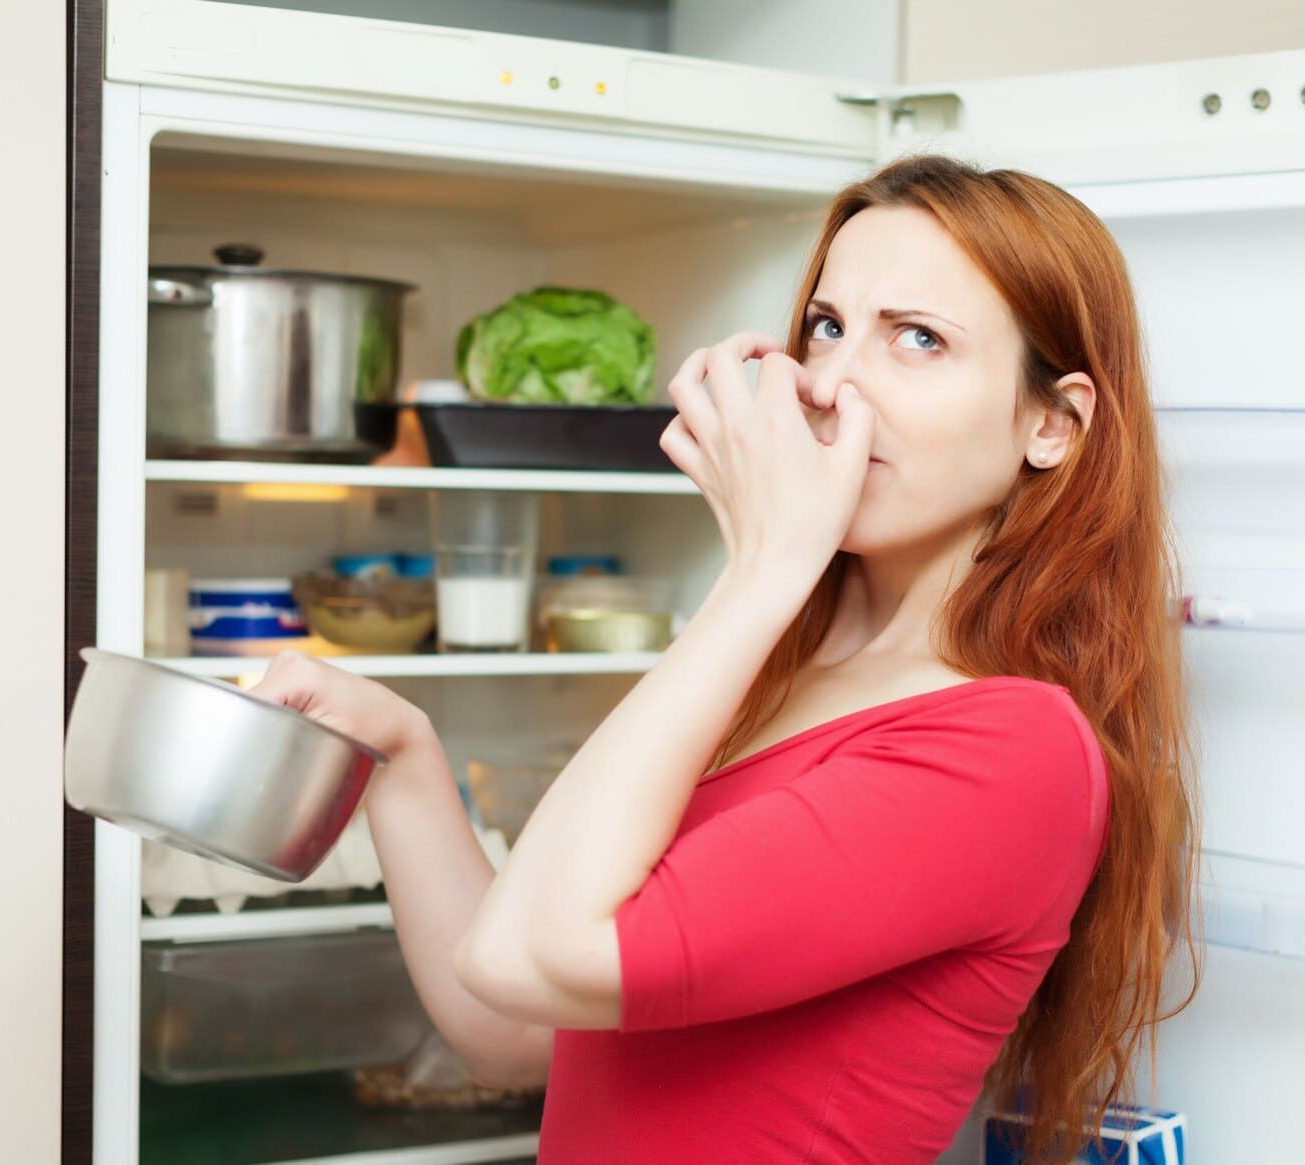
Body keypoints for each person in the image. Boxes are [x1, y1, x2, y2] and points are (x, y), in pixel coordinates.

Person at [254, 153, 1201, 1164]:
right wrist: (401, 754)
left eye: (918, 339)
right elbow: (521, 1027)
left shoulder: (1009, 749)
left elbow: (529, 956)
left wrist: (764, 565)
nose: (834, 386)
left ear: (1051, 425)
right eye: (828, 327)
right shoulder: (775, 674)